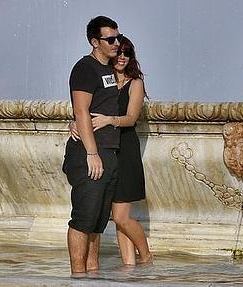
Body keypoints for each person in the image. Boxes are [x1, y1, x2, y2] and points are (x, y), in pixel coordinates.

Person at [70, 36, 152, 266]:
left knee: (121, 216)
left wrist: (109, 120)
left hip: (125, 150)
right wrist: (73, 123)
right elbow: (83, 108)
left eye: (128, 53)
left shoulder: (135, 83)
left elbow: (131, 118)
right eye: (120, 52)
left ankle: (146, 257)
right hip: (105, 149)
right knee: (112, 216)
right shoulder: (102, 77)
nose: (123, 56)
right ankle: (129, 267)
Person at [62, 15, 122, 276]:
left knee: (97, 222)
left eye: (117, 38)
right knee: (83, 219)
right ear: (94, 41)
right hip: (90, 153)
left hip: (108, 151)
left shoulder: (109, 69)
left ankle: (92, 274)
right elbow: (82, 111)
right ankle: (77, 275)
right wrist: (92, 153)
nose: (116, 43)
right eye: (110, 39)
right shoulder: (85, 68)